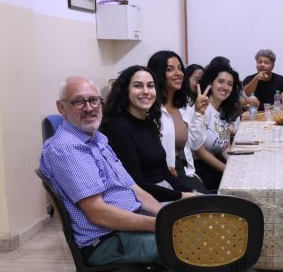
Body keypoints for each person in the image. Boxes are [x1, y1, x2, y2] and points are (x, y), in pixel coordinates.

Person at [40, 75, 162, 266]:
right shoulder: (67, 148)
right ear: (62, 108)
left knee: (197, 220)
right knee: (186, 241)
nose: (89, 108)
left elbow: (132, 187)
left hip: (129, 223)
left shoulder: (97, 138)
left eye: (94, 100)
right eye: (78, 102)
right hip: (106, 239)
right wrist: (160, 225)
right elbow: (97, 212)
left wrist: (164, 214)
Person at [101, 65, 199, 202]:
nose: (146, 91)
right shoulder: (118, 129)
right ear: (125, 91)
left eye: (150, 86)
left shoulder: (149, 123)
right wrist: (182, 196)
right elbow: (137, 185)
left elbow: (165, 173)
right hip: (144, 201)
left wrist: (191, 192)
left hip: (163, 192)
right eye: (138, 86)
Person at [147, 50, 210, 194]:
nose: (178, 73)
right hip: (163, 174)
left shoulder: (182, 107)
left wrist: (199, 113)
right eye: (170, 69)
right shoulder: (151, 109)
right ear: (158, 74)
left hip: (184, 169)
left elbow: (195, 143)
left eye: (180, 68)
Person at [194, 59, 243, 190]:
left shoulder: (221, 111)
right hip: (200, 170)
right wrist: (228, 170)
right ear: (211, 82)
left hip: (216, 165)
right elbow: (200, 152)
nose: (225, 87)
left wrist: (237, 164)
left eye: (230, 84)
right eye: (220, 82)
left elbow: (224, 147)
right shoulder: (202, 109)